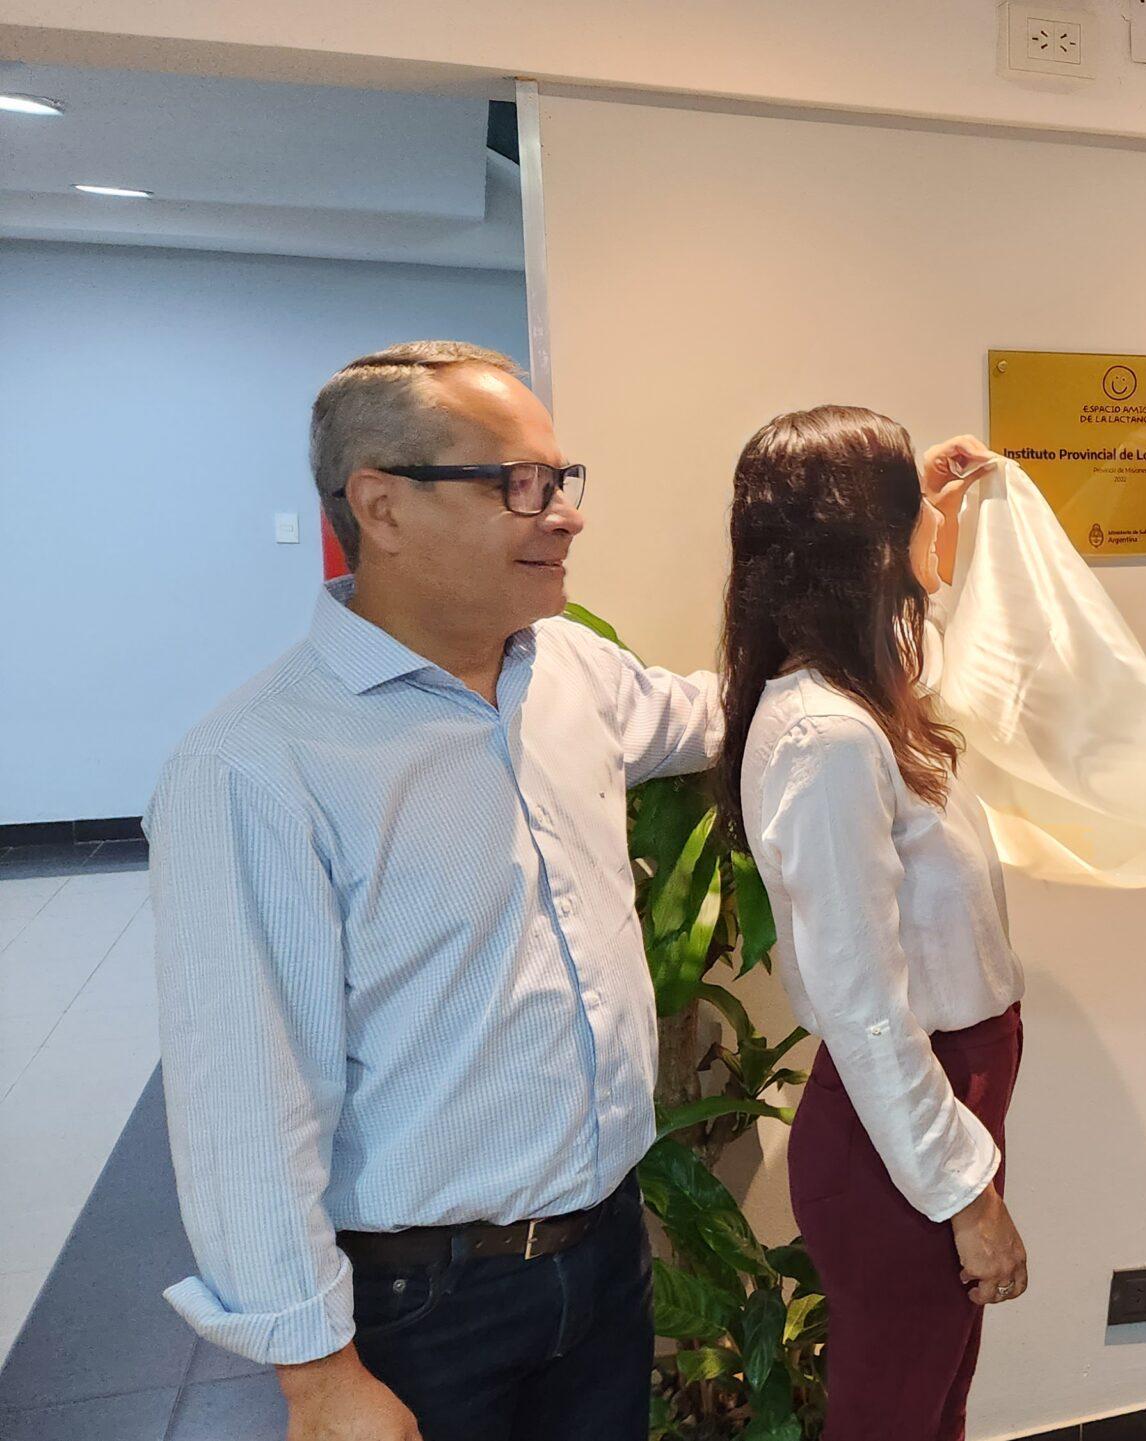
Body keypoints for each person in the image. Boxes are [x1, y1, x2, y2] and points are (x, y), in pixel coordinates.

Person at [149, 341, 722, 1440]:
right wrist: (316, 1375)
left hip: (603, 1251)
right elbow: (245, 1104)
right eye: (518, 482)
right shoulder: (256, 766)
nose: (562, 514)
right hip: (424, 1305)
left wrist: (897, 587)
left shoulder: (566, 673)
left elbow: (706, 713)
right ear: (382, 505)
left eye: (561, 479)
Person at [720, 407, 1028, 1441]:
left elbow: (916, 629)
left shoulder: (864, 692)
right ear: (867, 549)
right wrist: (965, 1197)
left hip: (937, 1118)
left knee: (932, 1409)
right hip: (903, 1139)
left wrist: (926, 513)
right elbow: (861, 1007)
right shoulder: (826, 738)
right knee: (894, 1419)